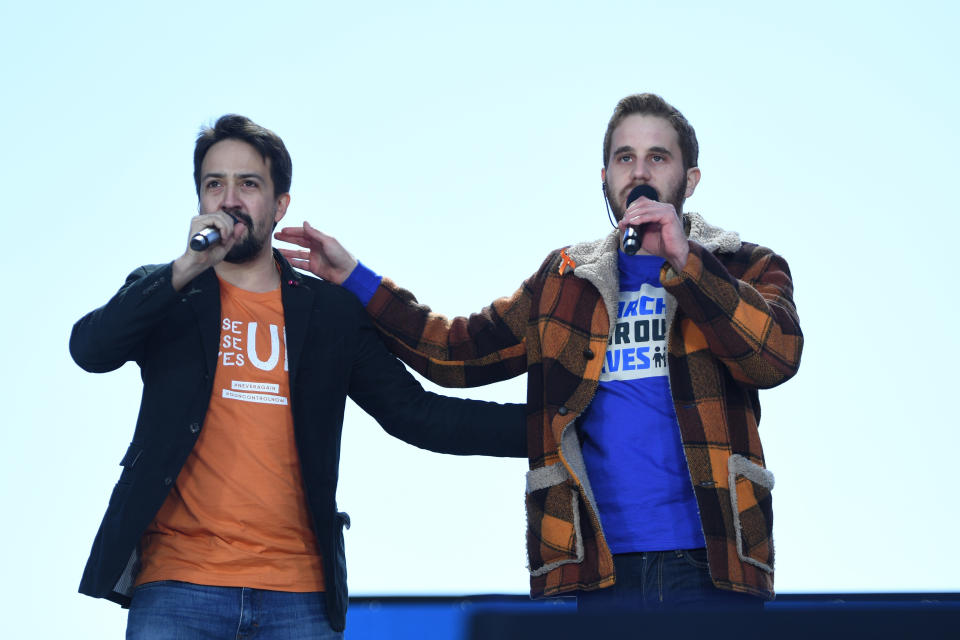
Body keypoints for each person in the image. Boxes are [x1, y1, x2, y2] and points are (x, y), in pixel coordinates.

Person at [274, 93, 804, 612]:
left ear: (688, 180)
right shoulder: (565, 280)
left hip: (713, 562)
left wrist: (687, 262)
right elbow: (456, 350)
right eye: (624, 158)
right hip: (599, 563)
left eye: (657, 158)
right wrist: (354, 278)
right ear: (605, 179)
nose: (638, 172)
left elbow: (774, 356)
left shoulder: (743, 266)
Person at [70, 114, 526, 638]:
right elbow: (90, 349)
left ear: (280, 204)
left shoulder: (328, 312)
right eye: (213, 184)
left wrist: (551, 428)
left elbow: (418, 415)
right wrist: (181, 271)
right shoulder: (167, 293)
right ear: (199, 201)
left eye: (249, 184)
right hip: (177, 588)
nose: (229, 198)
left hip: (299, 597)